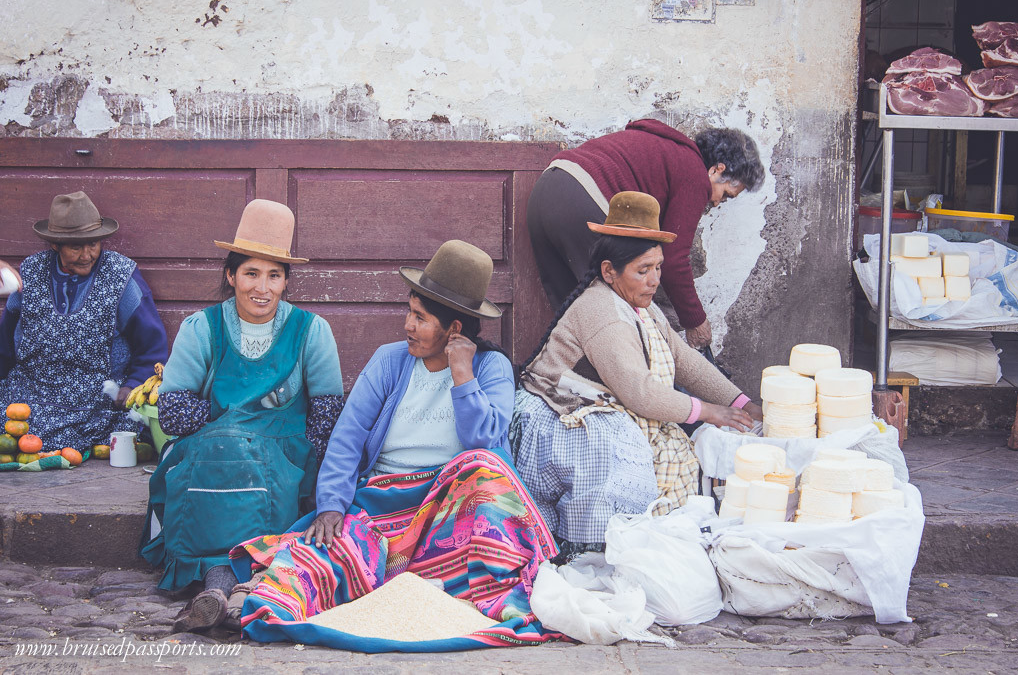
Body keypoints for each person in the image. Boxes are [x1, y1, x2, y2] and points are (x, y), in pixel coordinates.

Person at [226, 240, 559, 647]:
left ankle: (465, 585)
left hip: (447, 512)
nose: (407, 325)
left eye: (420, 317)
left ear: (454, 329)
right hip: (382, 506)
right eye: (409, 311)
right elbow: (347, 438)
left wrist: (462, 375)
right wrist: (331, 505)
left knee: (486, 472)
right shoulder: (390, 361)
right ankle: (252, 599)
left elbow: (486, 444)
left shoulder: (491, 368)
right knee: (327, 555)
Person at [512, 192, 763, 560]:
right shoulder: (605, 313)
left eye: (658, 268)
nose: (654, 281)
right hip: (560, 418)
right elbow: (640, 392)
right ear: (609, 271)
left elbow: (686, 362)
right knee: (626, 456)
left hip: (606, 403)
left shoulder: (641, 307)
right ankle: (594, 549)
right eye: (642, 271)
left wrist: (739, 402)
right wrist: (708, 412)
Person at [140, 199, 344, 632]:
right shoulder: (202, 327)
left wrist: (323, 486)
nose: (262, 288)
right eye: (251, 273)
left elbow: (326, 418)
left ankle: (221, 591)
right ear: (231, 275)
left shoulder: (312, 331)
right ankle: (229, 592)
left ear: (287, 281)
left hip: (285, 456)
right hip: (212, 452)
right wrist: (227, 421)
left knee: (253, 477)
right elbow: (173, 411)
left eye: (274, 275)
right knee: (222, 454)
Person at [526, 119, 765, 348]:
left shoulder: (666, 150)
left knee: (573, 312)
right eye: (725, 194)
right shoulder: (693, 173)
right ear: (716, 170)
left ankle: (565, 381)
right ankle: (629, 385)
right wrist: (695, 321)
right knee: (616, 314)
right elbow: (674, 260)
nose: (716, 203)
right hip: (583, 201)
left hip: (545, 190)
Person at [0, 192, 167, 452]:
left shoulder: (120, 276)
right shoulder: (30, 273)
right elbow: (6, 343)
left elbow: (151, 345)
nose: (87, 254)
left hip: (95, 403)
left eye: (94, 244)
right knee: (13, 430)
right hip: (31, 395)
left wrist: (133, 385)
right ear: (55, 245)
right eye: (76, 247)